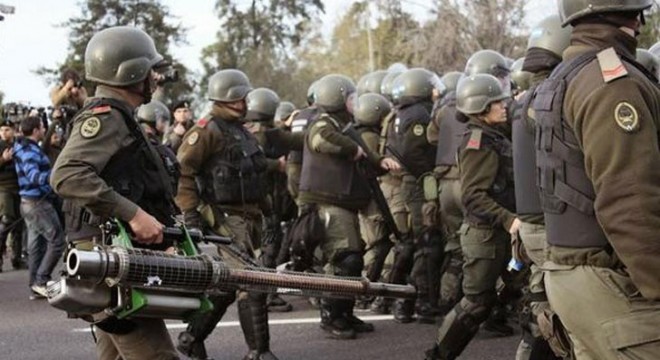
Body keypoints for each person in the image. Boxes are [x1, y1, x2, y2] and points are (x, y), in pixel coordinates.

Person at [533, 1, 660, 358]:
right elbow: (630, 200)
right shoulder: (612, 82)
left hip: (571, 277)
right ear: (634, 15)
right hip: (611, 284)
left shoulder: (565, 75)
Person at [50, 26, 180, 360]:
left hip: (113, 257)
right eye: (150, 69)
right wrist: (134, 215)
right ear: (131, 71)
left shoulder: (122, 118)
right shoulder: (108, 118)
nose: (155, 77)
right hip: (109, 260)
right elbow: (67, 174)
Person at [175, 69, 278, 360]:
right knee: (252, 281)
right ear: (226, 98)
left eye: (245, 97)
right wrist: (191, 213)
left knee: (227, 285)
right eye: (239, 97)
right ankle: (258, 352)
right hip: (223, 217)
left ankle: (191, 337)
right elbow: (183, 172)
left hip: (248, 217)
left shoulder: (241, 131)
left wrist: (269, 212)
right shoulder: (206, 130)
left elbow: (255, 174)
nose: (245, 102)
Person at [298, 74, 400, 340]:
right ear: (338, 99)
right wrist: (351, 149)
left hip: (342, 203)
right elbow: (322, 141)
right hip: (326, 204)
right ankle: (332, 316)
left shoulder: (342, 123)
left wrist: (380, 161)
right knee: (344, 259)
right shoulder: (322, 123)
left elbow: (364, 152)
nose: (354, 103)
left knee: (352, 260)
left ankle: (345, 312)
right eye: (351, 98)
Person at [425, 74, 518, 360]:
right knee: (476, 303)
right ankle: (438, 356)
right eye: (497, 103)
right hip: (486, 235)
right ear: (481, 108)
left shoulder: (490, 134)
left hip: (495, 234)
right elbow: (474, 195)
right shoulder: (478, 140)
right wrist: (509, 219)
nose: (504, 106)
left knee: (524, 295)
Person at [511, 14, 572, 360]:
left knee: (542, 309)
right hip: (552, 225)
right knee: (563, 321)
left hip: (533, 224)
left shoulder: (529, 99)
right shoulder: (552, 99)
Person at [14, 116, 65, 299]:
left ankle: (35, 285)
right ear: (36, 130)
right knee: (58, 241)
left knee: (37, 245)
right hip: (37, 203)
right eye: (42, 127)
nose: (44, 129)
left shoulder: (24, 147)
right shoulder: (28, 150)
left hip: (29, 203)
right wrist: (55, 177)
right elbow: (33, 175)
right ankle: (41, 280)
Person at [0, 119, 24, 272]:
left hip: (19, 188)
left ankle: (17, 259)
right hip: (4, 188)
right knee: (7, 221)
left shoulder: (19, 145)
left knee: (19, 226)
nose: (3, 133)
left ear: (13, 130)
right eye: (1, 130)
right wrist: (4, 159)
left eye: (7, 129)